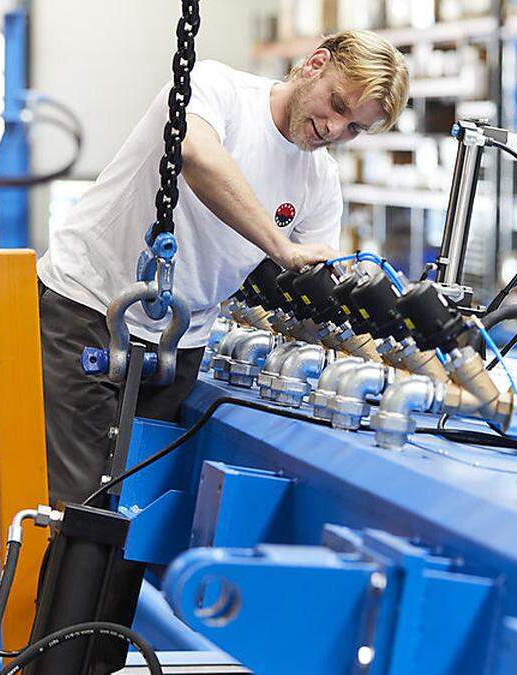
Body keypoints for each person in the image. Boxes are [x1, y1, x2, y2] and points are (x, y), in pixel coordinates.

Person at [36, 30, 410, 505]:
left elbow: (314, 281)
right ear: (314, 64)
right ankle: (42, 580)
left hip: (181, 341)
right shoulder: (218, 89)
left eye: (354, 128)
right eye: (338, 105)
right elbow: (195, 154)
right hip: (89, 307)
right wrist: (281, 246)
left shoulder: (321, 182)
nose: (336, 129)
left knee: (140, 508)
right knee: (75, 500)